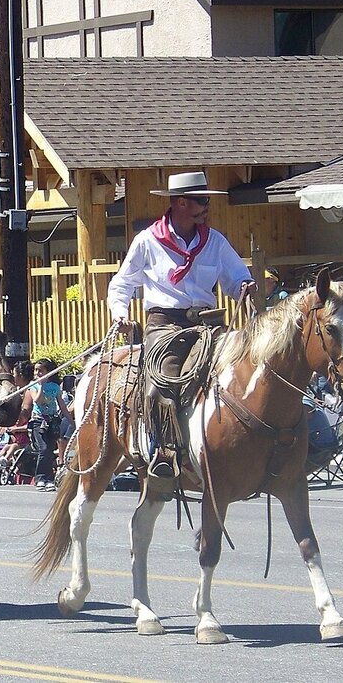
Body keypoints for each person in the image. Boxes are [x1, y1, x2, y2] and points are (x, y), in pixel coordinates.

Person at [107, 171, 255, 479]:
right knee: (163, 379)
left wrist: (245, 286)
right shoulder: (147, 241)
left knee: (244, 366)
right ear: (182, 203)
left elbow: (236, 276)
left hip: (208, 323)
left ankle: (241, 442)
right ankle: (165, 449)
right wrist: (120, 313)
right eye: (202, 201)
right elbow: (122, 284)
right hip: (165, 325)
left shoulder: (214, 241)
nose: (207, 207)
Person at [27, 358, 72, 490]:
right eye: (36, 370)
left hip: (52, 421)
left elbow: (62, 406)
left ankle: (49, 479)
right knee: (43, 448)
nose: (37, 373)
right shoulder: (33, 385)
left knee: (50, 450)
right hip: (38, 421)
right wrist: (40, 385)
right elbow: (38, 400)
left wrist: (71, 421)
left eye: (40, 370)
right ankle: (40, 478)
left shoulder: (55, 387)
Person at [0, 361, 34, 464]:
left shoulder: (30, 389)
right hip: (18, 429)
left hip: (25, 428)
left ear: (21, 375)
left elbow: (24, 414)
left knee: (14, 445)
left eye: (14, 374)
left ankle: (5, 460)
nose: (13, 376)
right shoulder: (20, 390)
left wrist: (12, 426)